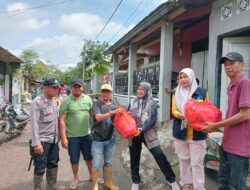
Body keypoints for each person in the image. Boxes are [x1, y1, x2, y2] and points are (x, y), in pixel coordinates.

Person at [203, 52, 250, 190]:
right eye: (226, 64)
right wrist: (214, 124)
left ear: (241, 65)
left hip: (239, 147)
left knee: (235, 186)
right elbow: (233, 114)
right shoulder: (231, 86)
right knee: (222, 181)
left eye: (232, 64)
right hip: (227, 143)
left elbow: (246, 114)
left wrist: (217, 125)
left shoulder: (244, 83)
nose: (227, 67)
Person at [129, 82, 180, 190]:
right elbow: (128, 116)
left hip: (148, 133)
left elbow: (152, 120)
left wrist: (142, 128)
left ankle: (171, 180)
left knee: (159, 155)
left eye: (142, 89)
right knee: (134, 158)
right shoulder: (132, 101)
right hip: (133, 134)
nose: (139, 91)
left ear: (147, 90)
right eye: (138, 89)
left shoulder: (152, 103)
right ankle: (135, 181)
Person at [172, 68, 208, 190]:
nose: (183, 80)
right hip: (180, 132)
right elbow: (174, 109)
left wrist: (197, 114)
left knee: (197, 164)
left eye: (185, 77)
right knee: (184, 161)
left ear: (191, 77)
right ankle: (187, 185)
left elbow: (207, 109)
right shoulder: (176, 92)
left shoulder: (202, 92)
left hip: (197, 133)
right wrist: (179, 115)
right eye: (181, 77)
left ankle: (199, 187)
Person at [30, 78, 65, 190]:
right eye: (54, 87)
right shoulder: (37, 102)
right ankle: (38, 188)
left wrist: (59, 134)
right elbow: (34, 124)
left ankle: (51, 186)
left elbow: (56, 120)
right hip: (42, 142)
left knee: (53, 164)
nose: (57, 89)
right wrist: (36, 144)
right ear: (45, 88)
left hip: (53, 141)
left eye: (57, 87)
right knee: (40, 167)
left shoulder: (54, 101)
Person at [59, 78, 93, 190]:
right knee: (74, 159)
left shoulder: (88, 99)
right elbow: (62, 120)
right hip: (72, 137)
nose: (77, 88)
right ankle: (75, 178)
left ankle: (92, 176)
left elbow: (92, 114)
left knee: (89, 157)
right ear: (71, 87)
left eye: (79, 86)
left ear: (82, 87)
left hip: (86, 135)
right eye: (75, 86)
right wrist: (63, 137)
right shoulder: (66, 101)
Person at [91, 83, 121, 190]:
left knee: (108, 162)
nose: (105, 94)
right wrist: (111, 113)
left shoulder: (113, 106)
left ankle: (108, 182)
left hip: (111, 139)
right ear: (101, 93)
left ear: (111, 93)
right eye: (104, 91)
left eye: (108, 92)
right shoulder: (96, 104)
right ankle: (94, 185)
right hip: (98, 139)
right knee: (96, 163)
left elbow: (117, 123)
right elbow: (98, 118)